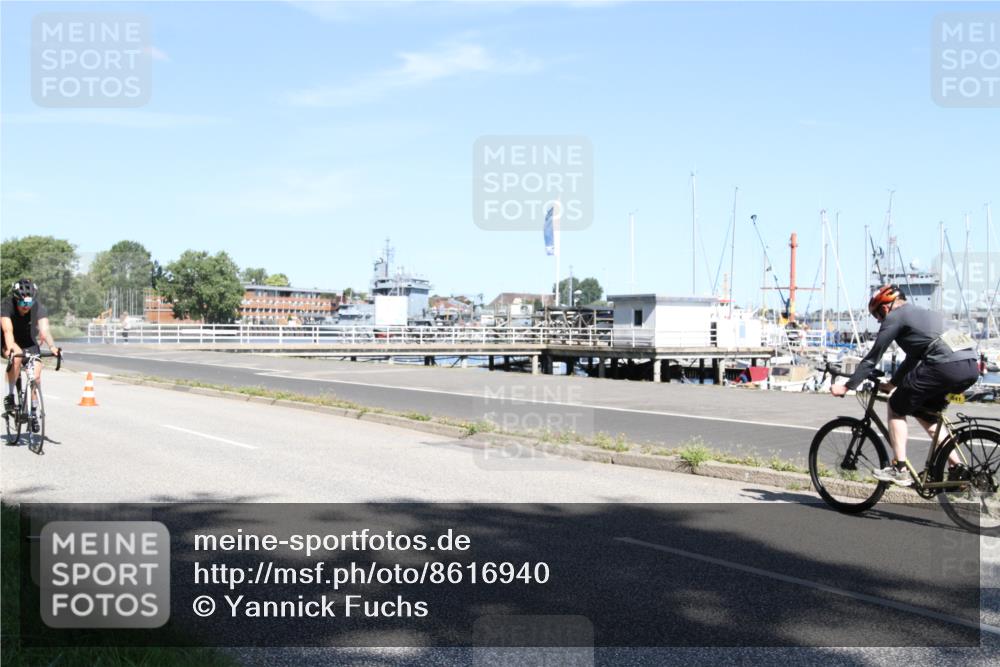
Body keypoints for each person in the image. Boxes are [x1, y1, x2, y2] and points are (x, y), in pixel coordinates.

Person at [830, 285, 979, 485]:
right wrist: (892, 383)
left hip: (944, 366)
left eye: (877, 317)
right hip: (970, 367)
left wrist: (847, 386)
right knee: (926, 413)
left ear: (884, 309)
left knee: (896, 406)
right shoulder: (926, 314)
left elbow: (872, 358)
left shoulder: (895, 317)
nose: (879, 321)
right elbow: (912, 358)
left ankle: (899, 469)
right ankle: (957, 468)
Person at [1, 279, 61, 432]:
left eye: (29, 303)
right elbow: (8, 331)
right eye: (22, 304)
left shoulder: (37, 307)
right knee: (17, 357)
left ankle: (33, 412)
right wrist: (11, 350)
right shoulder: (6, 305)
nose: (26, 307)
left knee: (36, 376)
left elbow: (45, 330)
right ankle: (10, 396)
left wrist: (52, 347)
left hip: (29, 341)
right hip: (10, 339)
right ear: (16, 299)